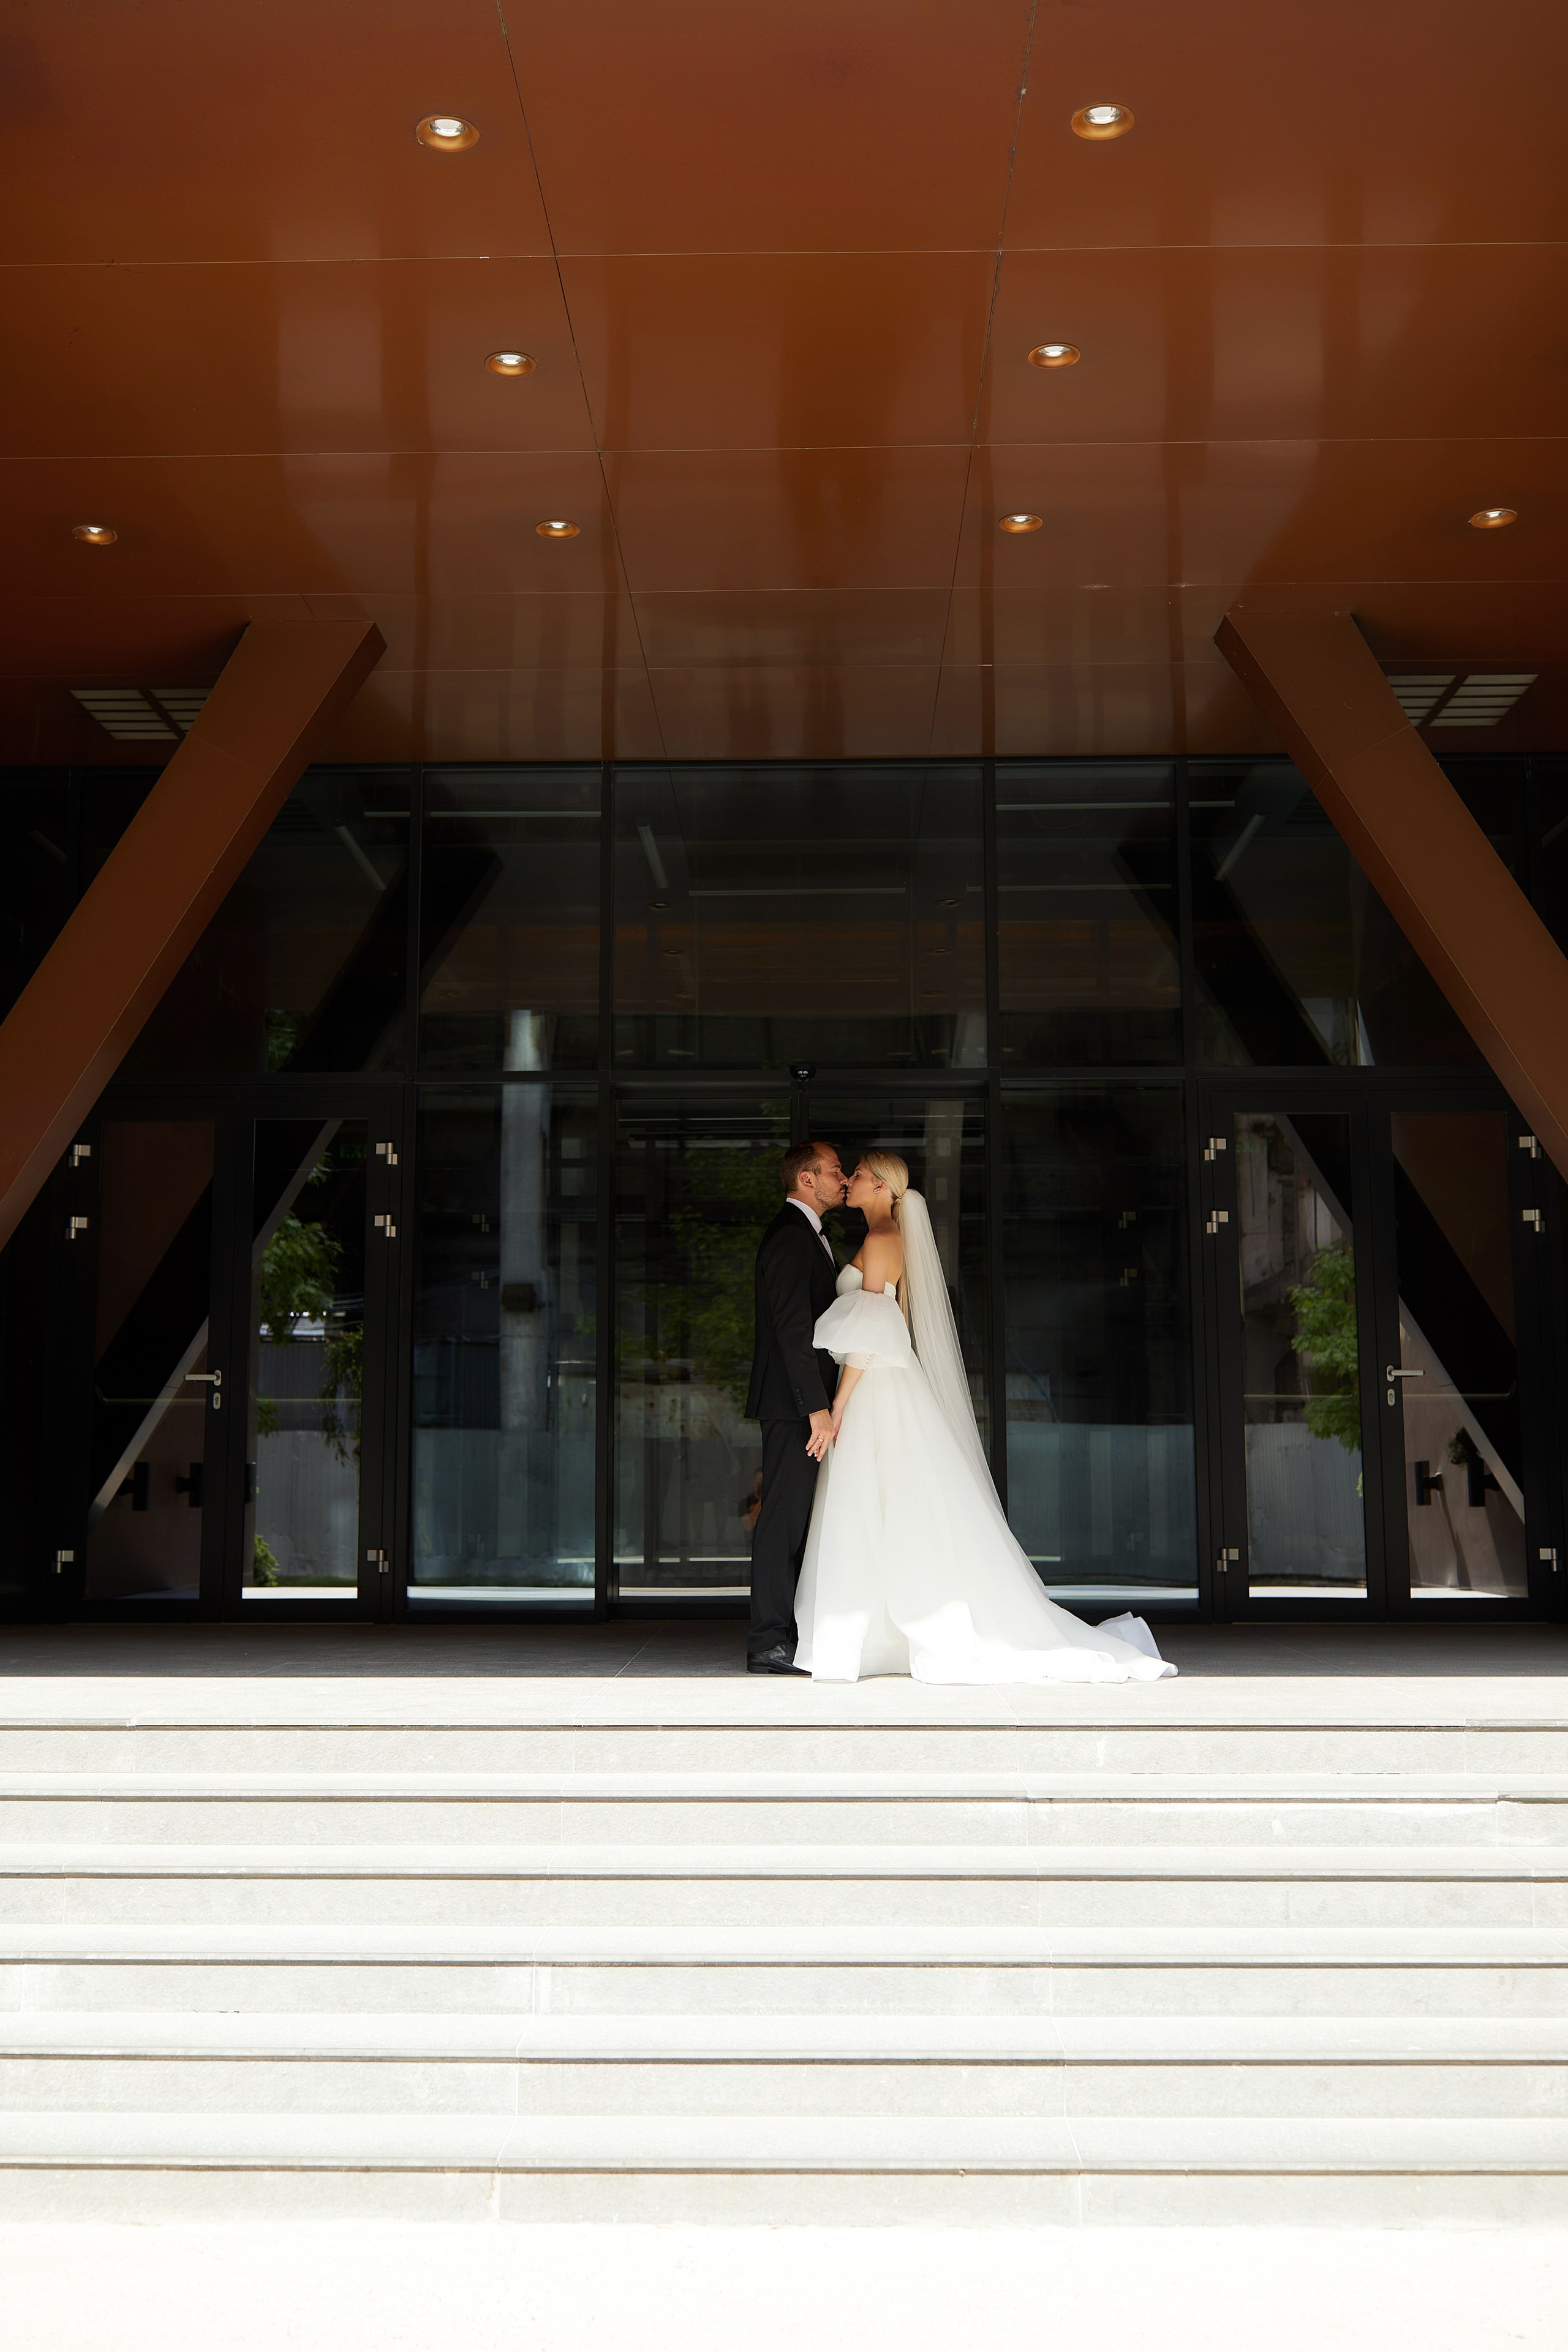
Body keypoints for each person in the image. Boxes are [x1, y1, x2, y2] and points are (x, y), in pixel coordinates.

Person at [793, 1150, 1175, 1684]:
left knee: (874, 1500)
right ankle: (878, 1630)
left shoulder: (882, 1241)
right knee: (890, 1502)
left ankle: (874, 1632)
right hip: (882, 1385)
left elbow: (870, 1333)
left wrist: (837, 1407)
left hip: (874, 1388)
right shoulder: (883, 1238)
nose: (849, 1182)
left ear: (882, 1187)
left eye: (857, 1175)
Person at [742, 1139, 847, 1673]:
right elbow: (792, 1331)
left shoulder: (808, 1235)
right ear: (806, 1179)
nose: (844, 1178)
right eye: (834, 1171)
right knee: (782, 1521)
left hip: (801, 1405)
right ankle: (768, 1642)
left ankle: (784, 1634)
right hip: (793, 1407)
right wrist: (817, 1408)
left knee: (796, 1520)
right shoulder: (789, 1237)